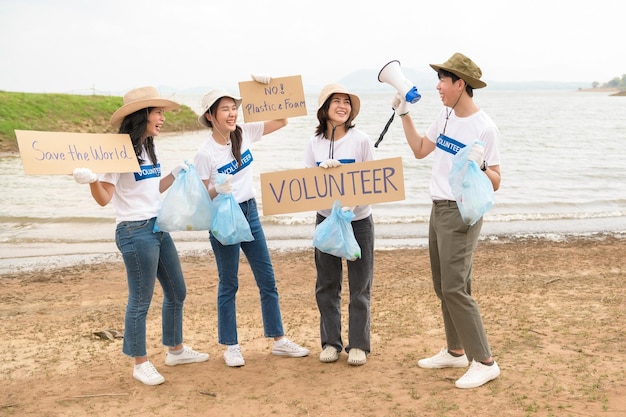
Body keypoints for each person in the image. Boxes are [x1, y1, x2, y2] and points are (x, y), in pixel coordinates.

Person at [72, 86, 209, 386]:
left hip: (158, 228)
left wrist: (175, 174)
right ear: (142, 115)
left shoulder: (147, 148)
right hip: (134, 232)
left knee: (177, 291)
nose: (162, 118)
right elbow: (104, 198)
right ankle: (140, 362)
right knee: (140, 300)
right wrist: (92, 180)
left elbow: (152, 189)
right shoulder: (118, 151)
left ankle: (175, 350)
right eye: (158, 112)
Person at [393, 53, 502, 388]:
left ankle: (484, 361)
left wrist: (482, 166)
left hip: (462, 211)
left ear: (461, 84)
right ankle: (456, 351)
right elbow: (420, 149)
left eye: (444, 80)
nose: (438, 86)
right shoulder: (444, 116)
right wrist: (404, 115)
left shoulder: (485, 127)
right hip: (437, 207)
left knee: (456, 287)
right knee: (444, 285)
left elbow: (496, 179)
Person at [193, 75, 309, 368]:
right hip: (223, 218)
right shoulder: (204, 153)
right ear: (211, 116)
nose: (232, 113)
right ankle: (231, 345)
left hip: (250, 212)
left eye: (234, 107)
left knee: (267, 279)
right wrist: (216, 188)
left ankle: (279, 340)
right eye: (225, 109)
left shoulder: (243, 133)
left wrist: (265, 89)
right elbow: (199, 199)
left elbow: (282, 120)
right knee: (229, 283)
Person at [303, 83, 375, 366]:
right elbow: (305, 182)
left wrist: (352, 204)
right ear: (325, 108)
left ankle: (358, 345)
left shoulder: (362, 140)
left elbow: (374, 182)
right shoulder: (314, 143)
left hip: (358, 221)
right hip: (326, 221)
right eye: (337, 101)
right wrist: (320, 175)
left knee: (360, 284)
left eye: (347, 102)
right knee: (327, 284)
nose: (343, 106)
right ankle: (331, 342)